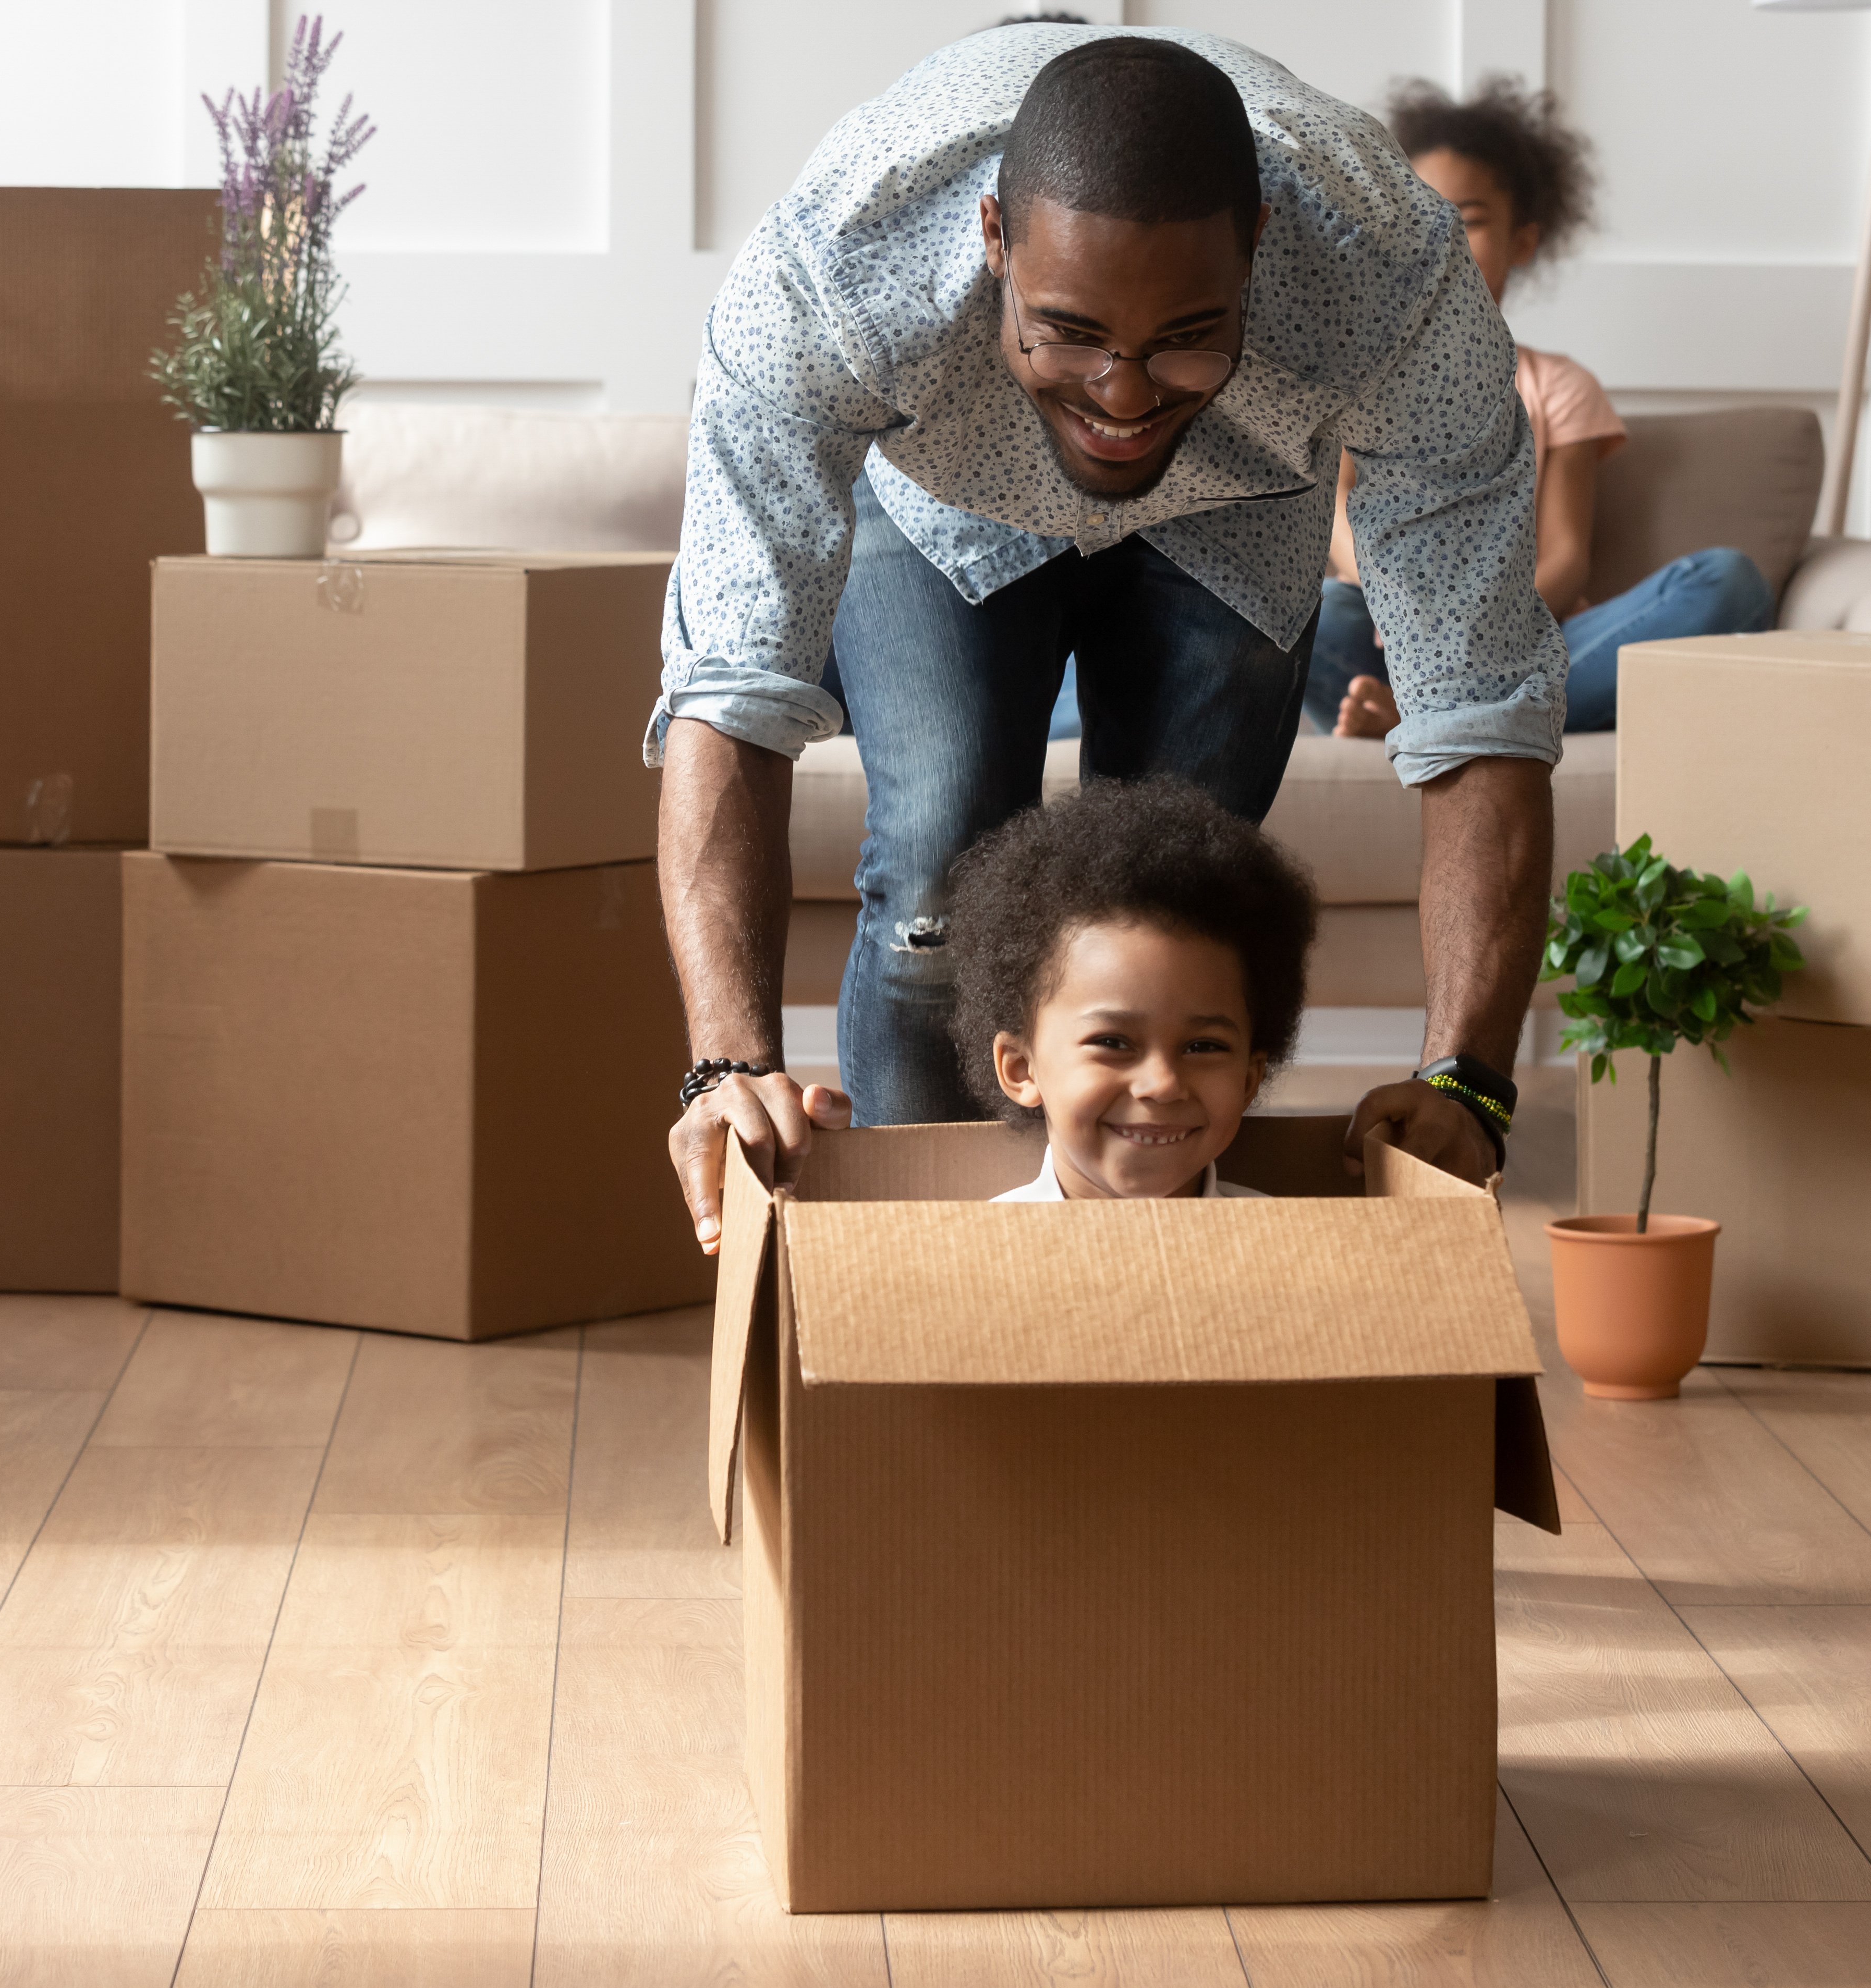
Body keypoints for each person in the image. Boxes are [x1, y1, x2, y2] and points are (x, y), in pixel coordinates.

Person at [658, 26, 1560, 1257]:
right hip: (939, 496)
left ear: (1257, 251)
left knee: (1176, 918)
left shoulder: (1393, 282)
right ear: (991, 240)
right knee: (935, 875)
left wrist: (1468, 1080)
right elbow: (733, 690)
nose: (1123, 393)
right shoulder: (834, 270)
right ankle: (921, 1280)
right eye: (1069, 330)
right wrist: (725, 1065)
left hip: (1238, 507)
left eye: (1186, 333)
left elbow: (1481, 706)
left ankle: (1141, 1313)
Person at [1316, 78, 1775, 742]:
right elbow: (1337, 519)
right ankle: (1455, 719)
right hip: (1391, 634)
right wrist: (1409, 609)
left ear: (1523, 241)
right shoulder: (1361, 379)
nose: (1443, 241)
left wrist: (1472, 634)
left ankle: (1430, 720)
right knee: (1323, 610)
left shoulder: (1560, 386)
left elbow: (1565, 558)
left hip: (1532, 649)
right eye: (1422, 215)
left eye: (1469, 220)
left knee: (1728, 582)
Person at [951, 776, 1316, 1200]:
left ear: (1249, 1080)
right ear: (1019, 1068)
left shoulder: (1291, 1246)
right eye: (1112, 1042)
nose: (1162, 1084)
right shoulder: (975, 1249)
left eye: (1204, 1047)